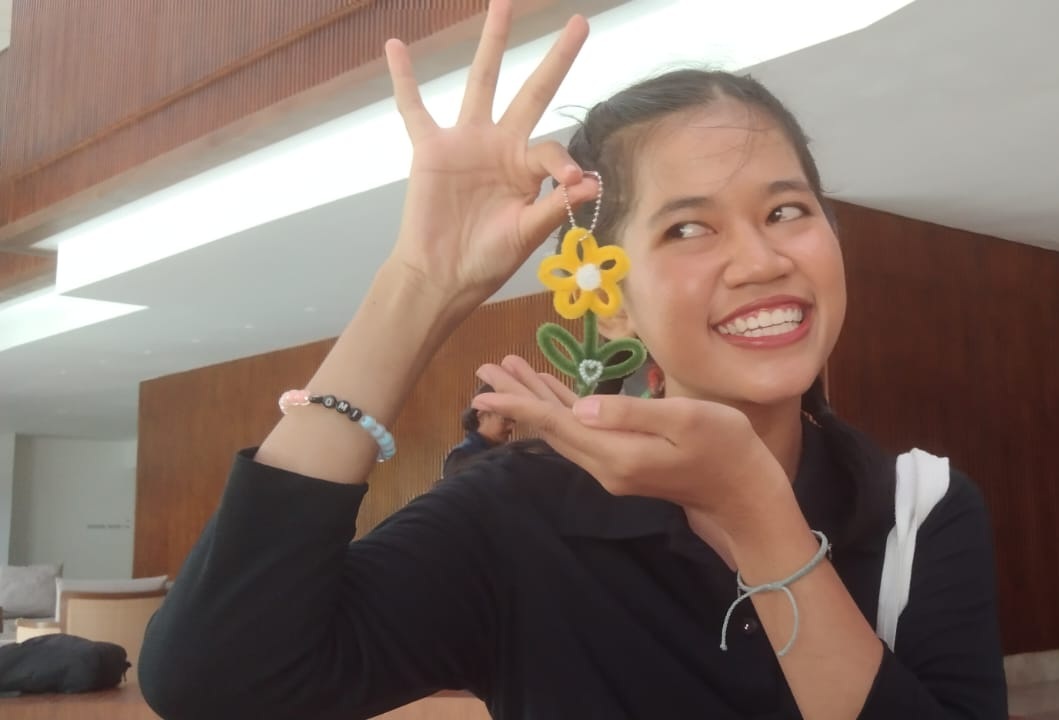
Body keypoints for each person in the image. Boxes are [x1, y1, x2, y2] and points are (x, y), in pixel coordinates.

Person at [137, 6, 1007, 719]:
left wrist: (758, 515)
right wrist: (418, 285)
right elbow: (220, 683)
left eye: (787, 211)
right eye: (688, 227)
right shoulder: (517, 515)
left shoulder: (917, 511)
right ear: (613, 299)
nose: (760, 260)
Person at [441, 383, 515, 477]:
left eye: (513, 420)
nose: (511, 427)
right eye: (505, 419)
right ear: (482, 416)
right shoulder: (462, 457)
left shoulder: (505, 454)